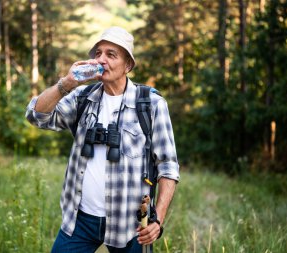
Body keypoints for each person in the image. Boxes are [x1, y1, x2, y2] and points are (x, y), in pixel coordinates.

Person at [25, 26, 180, 252]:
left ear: (128, 65)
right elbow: (36, 116)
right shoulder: (82, 97)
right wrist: (67, 84)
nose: (101, 60)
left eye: (111, 54)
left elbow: (168, 166)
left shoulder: (151, 104)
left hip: (130, 224)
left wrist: (157, 219)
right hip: (80, 220)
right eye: (98, 53)